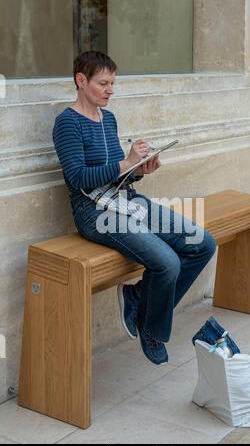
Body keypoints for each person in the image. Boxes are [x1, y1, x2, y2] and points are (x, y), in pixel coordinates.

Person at [53, 50, 216, 366]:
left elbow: (120, 173)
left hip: (125, 200)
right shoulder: (67, 123)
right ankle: (151, 327)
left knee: (202, 243)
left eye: (113, 83)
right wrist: (124, 163)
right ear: (80, 80)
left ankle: (138, 296)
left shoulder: (108, 118)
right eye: (103, 83)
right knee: (167, 262)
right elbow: (77, 179)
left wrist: (140, 168)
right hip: (93, 213)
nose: (110, 90)